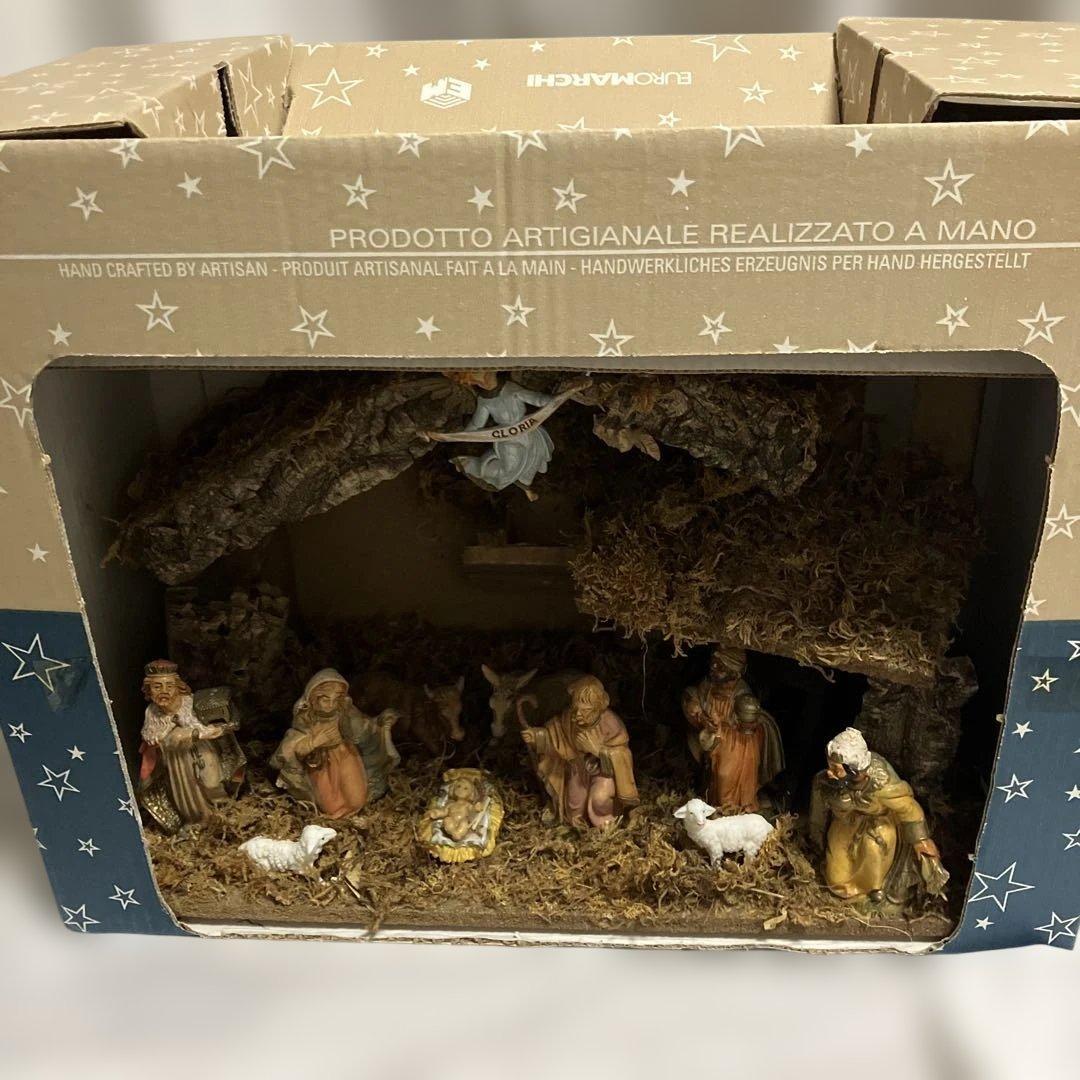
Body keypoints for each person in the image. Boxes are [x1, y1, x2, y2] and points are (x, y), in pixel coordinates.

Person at [808, 727, 950, 906]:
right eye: (830, 766)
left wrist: (920, 840)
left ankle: (872, 891)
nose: (830, 773)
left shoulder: (882, 784)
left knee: (873, 851)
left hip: (878, 826)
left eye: (836, 770)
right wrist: (816, 834)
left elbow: (908, 808)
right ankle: (846, 890)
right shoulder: (830, 782)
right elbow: (819, 809)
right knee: (837, 876)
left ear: (854, 770)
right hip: (846, 824)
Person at [271, 669, 398, 819]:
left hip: (346, 756)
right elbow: (294, 748)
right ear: (314, 698)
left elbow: (364, 727)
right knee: (331, 806)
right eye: (325, 700)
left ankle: (350, 814)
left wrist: (381, 724)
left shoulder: (344, 713)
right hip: (321, 764)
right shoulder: (306, 719)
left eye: (336, 699)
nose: (331, 704)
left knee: (357, 799)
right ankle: (335, 818)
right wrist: (315, 742)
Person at [138, 659, 245, 832]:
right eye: (157, 687)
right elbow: (149, 736)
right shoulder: (152, 711)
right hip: (176, 760)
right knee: (185, 793)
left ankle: (224, 812)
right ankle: (198, 820)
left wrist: (191, 734)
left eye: (169, 686)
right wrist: (163, 736)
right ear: (149, 691)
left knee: (212, 783)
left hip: (201, 750)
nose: (164, 691)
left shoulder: (191, 703)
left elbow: (220, 727)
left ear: (178, 687)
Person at [520, 674, 639, 829]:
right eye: (575, 709)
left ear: (598, 708)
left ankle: (608, 822)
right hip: (578, 768)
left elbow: (622, 755)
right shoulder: (569, 719)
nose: (577, 715)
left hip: (603, 772)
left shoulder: (611, 723)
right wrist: (537, 737)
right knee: (574, 806)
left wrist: (596, 750)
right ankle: (580, 827)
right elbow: (557, 737)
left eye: (585, 711)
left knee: (600, 799)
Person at [681, 647, 783, 814]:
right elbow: (694, 698)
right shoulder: (708, 684)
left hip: (736, 741)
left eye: (720, 667)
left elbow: (747, 721)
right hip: (714, 734)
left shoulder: (742, 694)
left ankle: (729, 807)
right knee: (707, 767)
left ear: (734, 673)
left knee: (724, 774)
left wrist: (725, 724)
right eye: (713, 663)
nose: (713, 668)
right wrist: (700, 712)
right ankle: (713, 801)